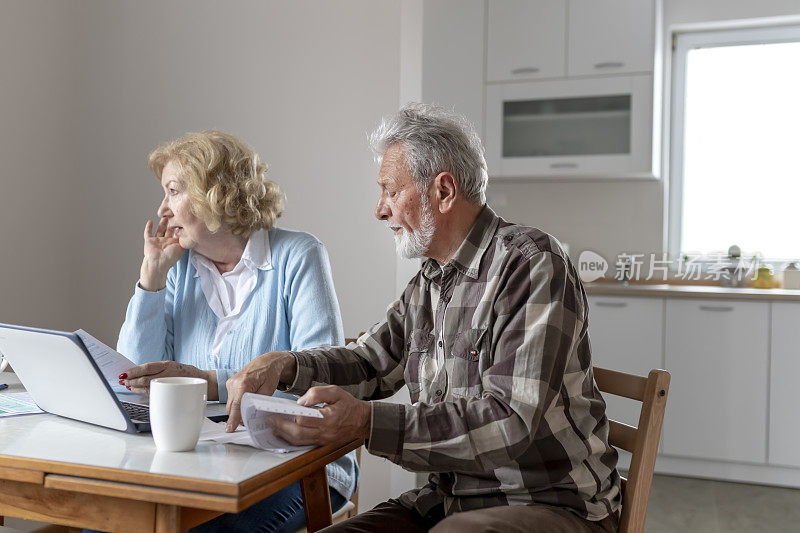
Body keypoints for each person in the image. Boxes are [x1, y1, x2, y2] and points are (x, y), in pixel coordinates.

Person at [224, 104, 621, 532]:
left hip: (551, 504)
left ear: (444, 191)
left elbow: (512, 422)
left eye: (391, 191)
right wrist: (285, 365)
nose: (380, 209)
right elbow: (368, 362)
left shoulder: (531, 264)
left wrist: (364, 422)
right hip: (448, 501)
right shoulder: (429, 282)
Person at [116, 130, 357, 533]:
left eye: (174, 191)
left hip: (300, 466)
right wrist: (152, 277)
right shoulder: (180, 270)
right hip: (202, 463)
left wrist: (206, 382)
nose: (162, 208)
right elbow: (134, 377)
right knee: (111, 523)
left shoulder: (298, 256)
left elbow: (321, 385)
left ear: (217, 194)